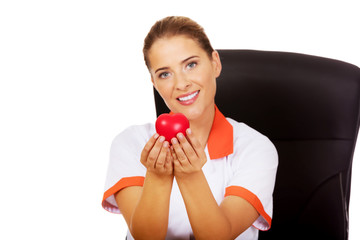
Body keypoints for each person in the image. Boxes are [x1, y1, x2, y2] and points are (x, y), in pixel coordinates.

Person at [102, 16, 278, 240]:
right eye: (165, 74)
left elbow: (219, 236)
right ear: (155, 83)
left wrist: (190, 175)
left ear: (215, 63)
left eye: (191, 65)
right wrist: (156, 177)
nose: (181, 83)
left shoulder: (255, 148)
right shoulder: (131, 142)